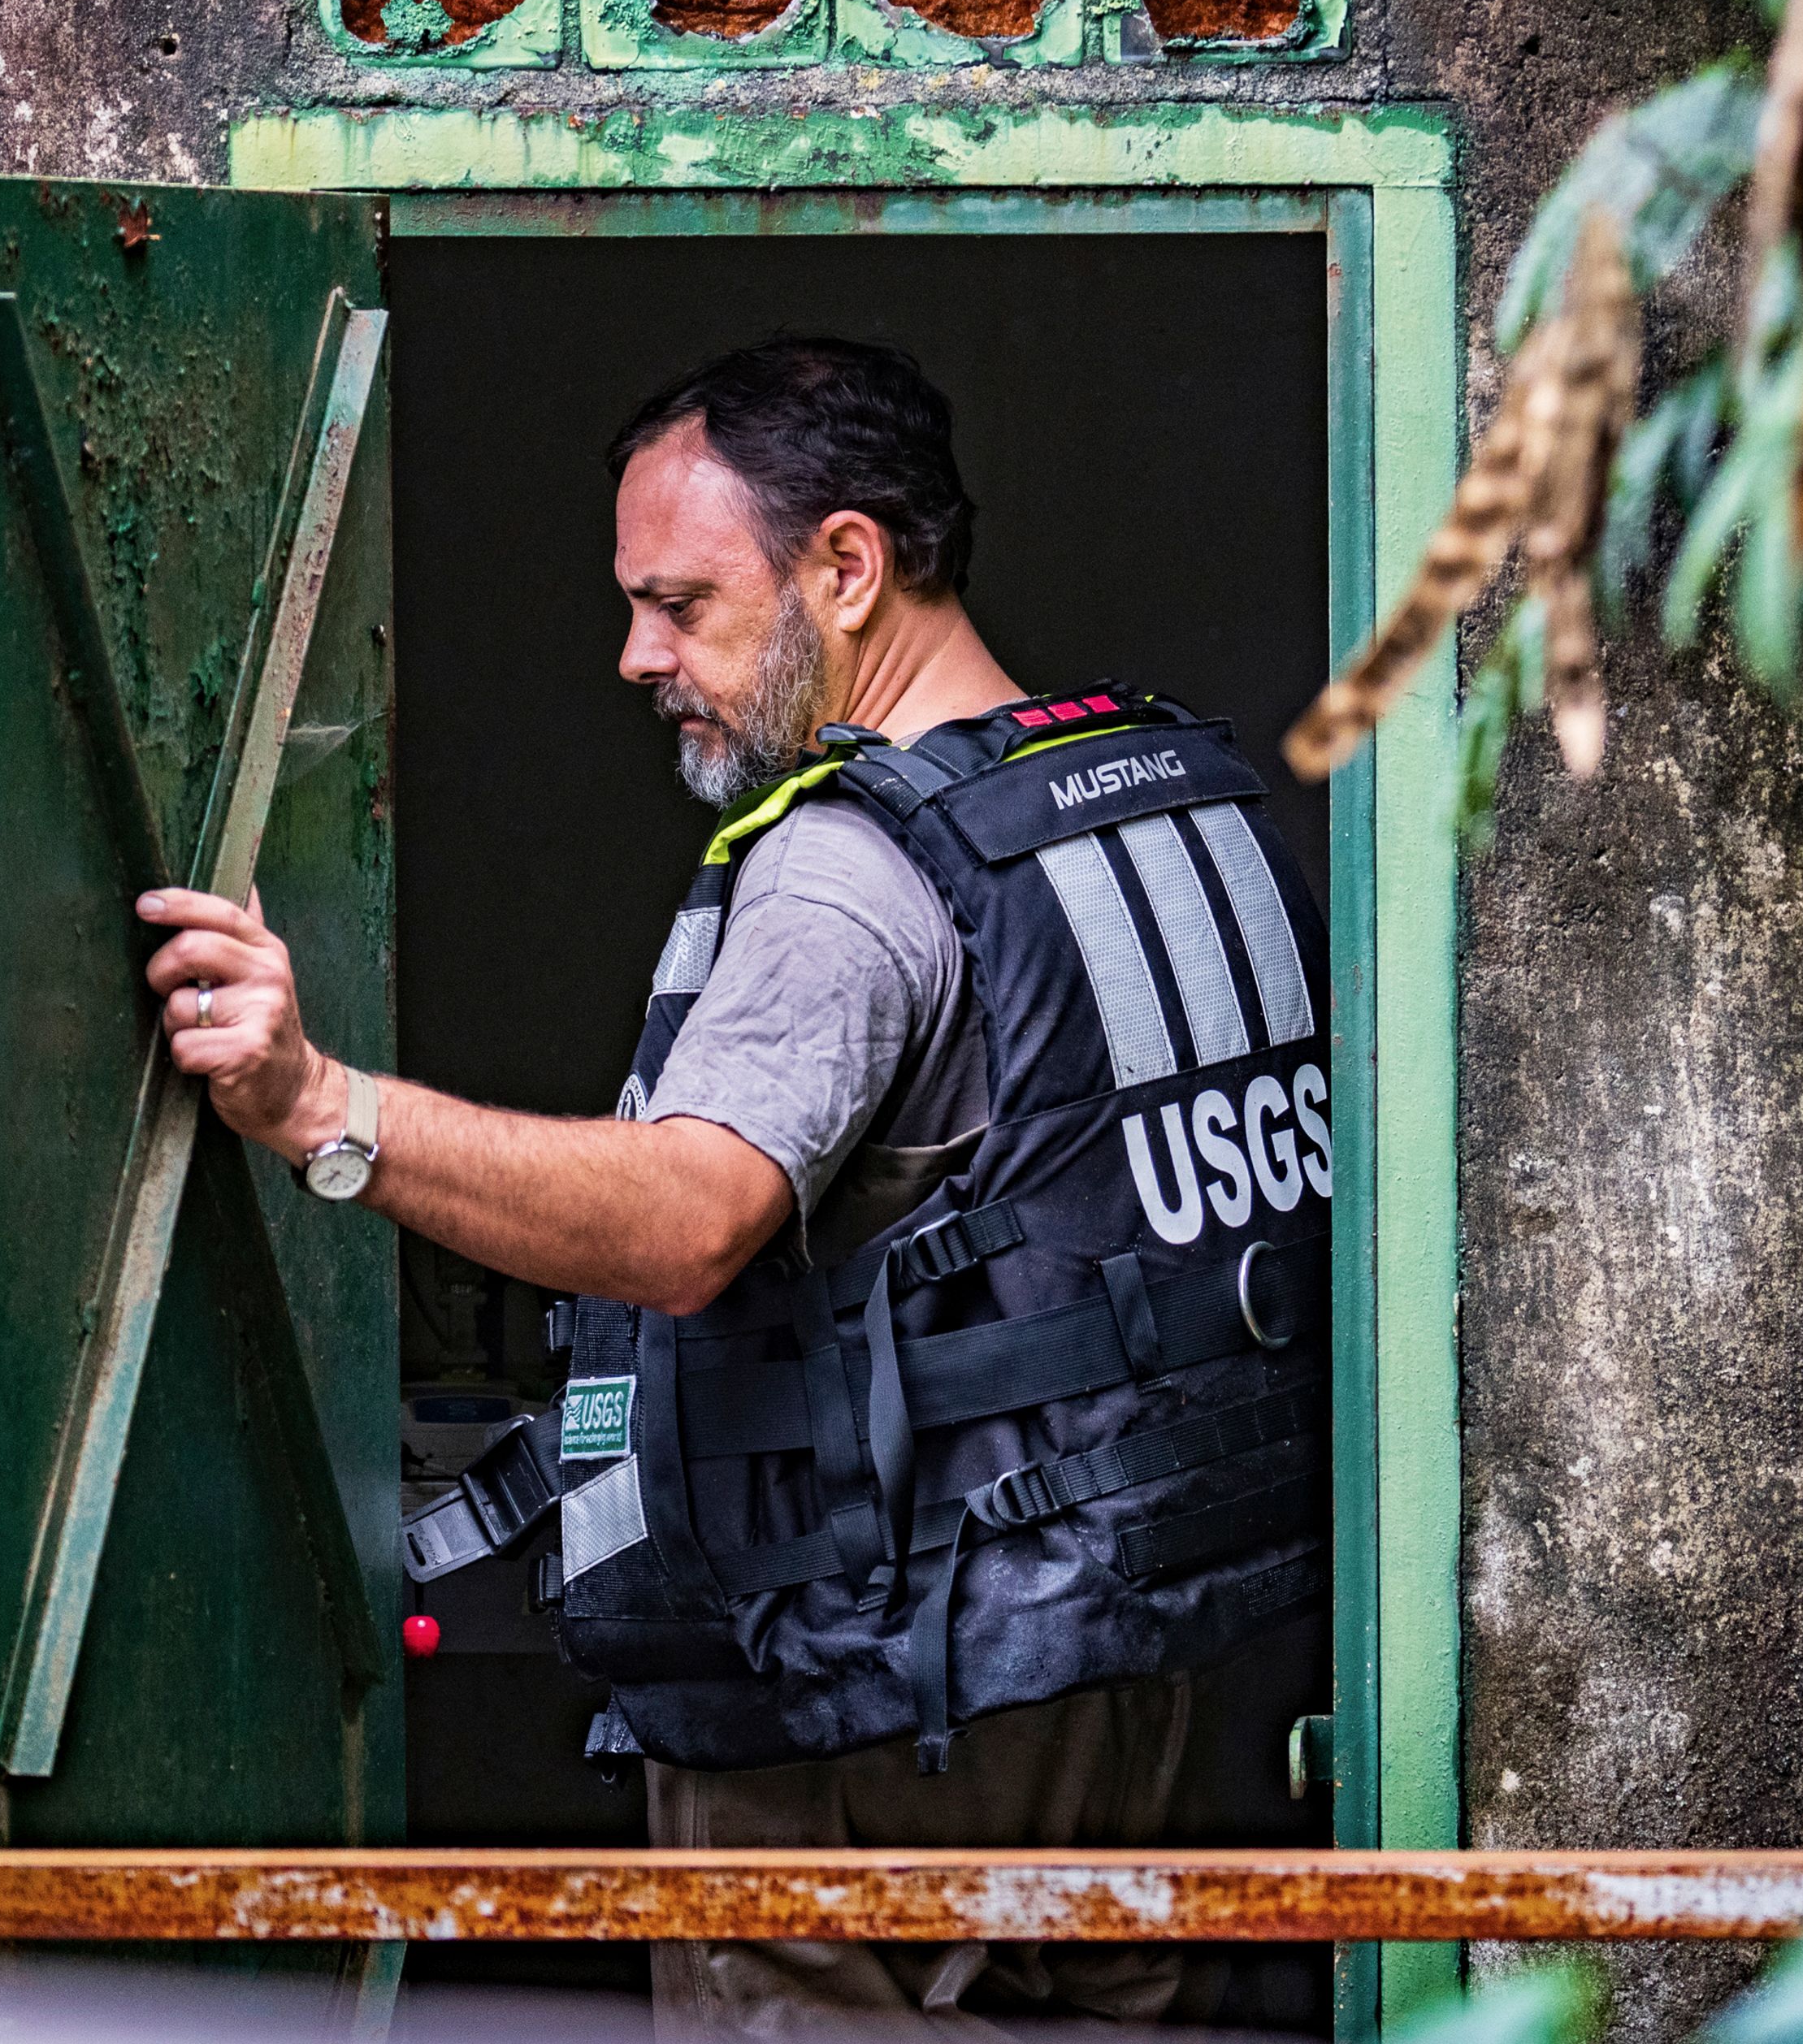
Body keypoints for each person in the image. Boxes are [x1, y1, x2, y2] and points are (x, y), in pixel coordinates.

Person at [140, 338, 1332, 2034]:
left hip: (875, 1710)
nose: (636, 653)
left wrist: (319, 1101)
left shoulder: (847, 873)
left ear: (846, 566)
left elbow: (691, 1219)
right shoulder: (1152, 797)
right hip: (1132, 1659)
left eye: (680, 601)